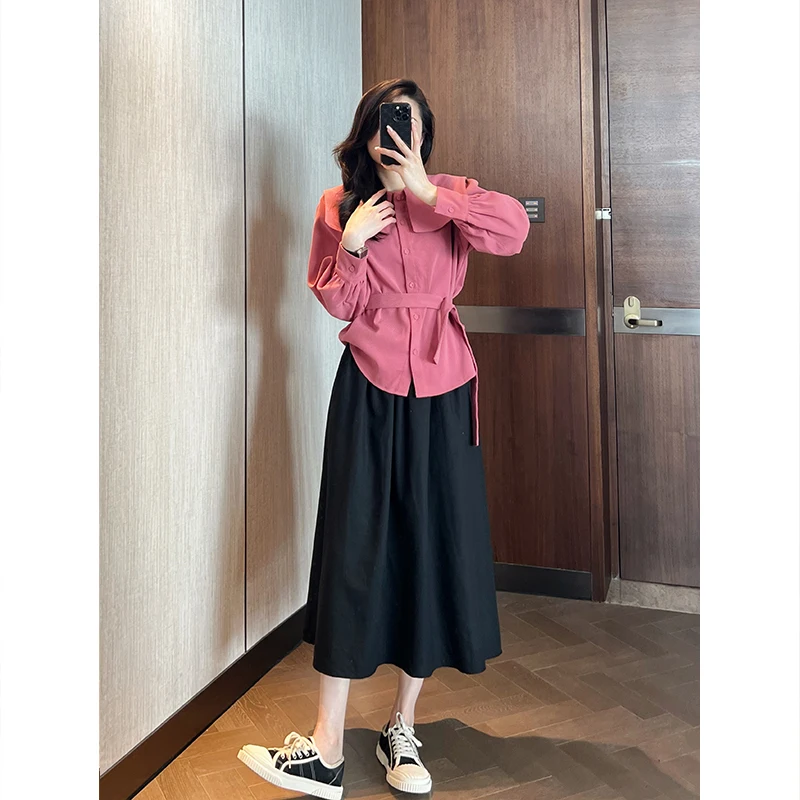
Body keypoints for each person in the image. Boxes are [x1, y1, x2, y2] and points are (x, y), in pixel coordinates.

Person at [238, 78, 530, 799]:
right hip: (368, 388)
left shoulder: (453, 195)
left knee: (430, 546)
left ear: (424, 133)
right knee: (353, 546)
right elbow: (338, 300)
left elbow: (512, 233)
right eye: (382, 123)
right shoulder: (340, 206)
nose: (395, 135)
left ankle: (403, 726)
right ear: (364, 136)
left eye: (408, 123)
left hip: (444, 388)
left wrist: (428, 192)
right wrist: (353, 244)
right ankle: (327, 747)